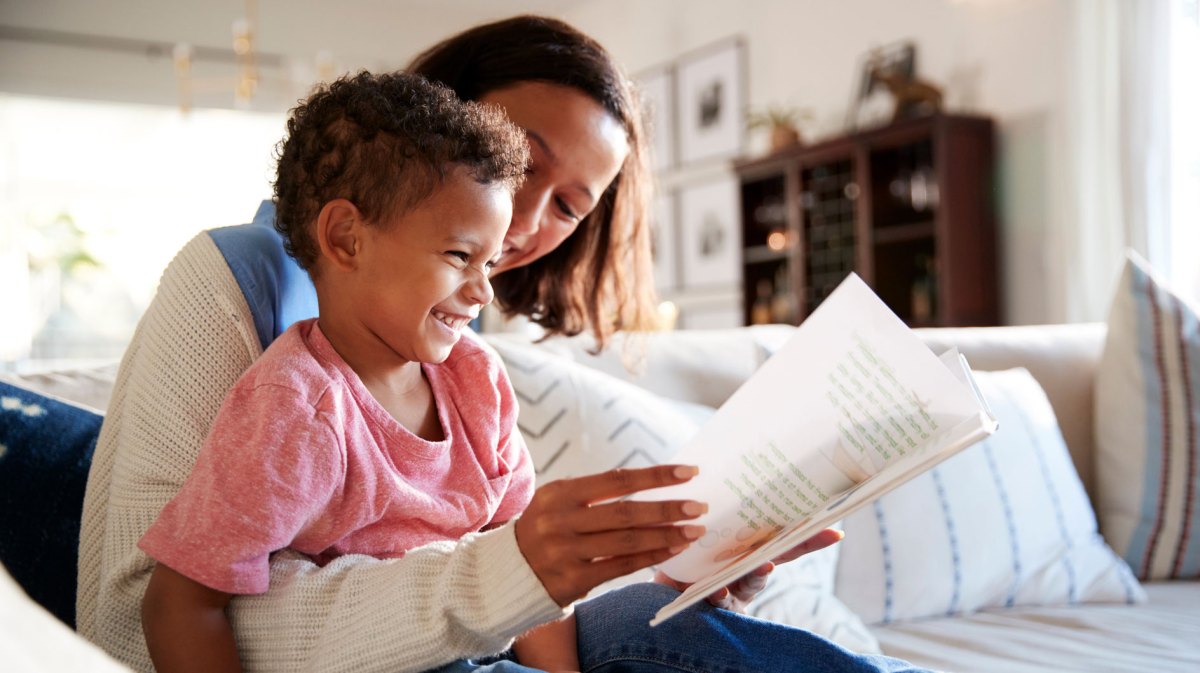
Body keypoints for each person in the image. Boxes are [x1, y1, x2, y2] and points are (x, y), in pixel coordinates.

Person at [78, 14, 928, 673]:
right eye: (519, 160)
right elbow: (145, 613)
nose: (522, 221)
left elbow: (498, 569)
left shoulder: (460, 352)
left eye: (568, 206)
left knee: (679, 627)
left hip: (485, 641)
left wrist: (707, 562)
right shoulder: (248, 306)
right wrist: (505, 576)